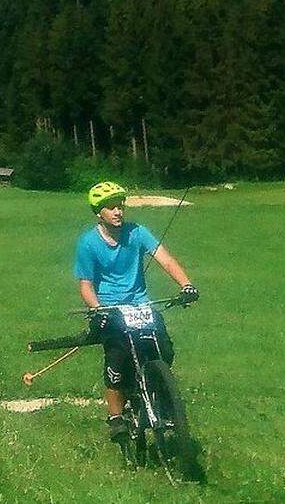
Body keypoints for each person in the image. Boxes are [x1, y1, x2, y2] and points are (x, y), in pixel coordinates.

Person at [74, 181, 199, 444]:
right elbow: (86, 284)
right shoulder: (88, 243)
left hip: (141, 305)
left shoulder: (138, 232)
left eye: (120, 206)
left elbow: (164, 258)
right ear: (99, 212)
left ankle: (157, 390)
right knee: (116, 361)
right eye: (110, 207)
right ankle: (116, 416)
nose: (118, 211)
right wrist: (97, 310)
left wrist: (186, 285)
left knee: (164, 350)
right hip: (110, 308)